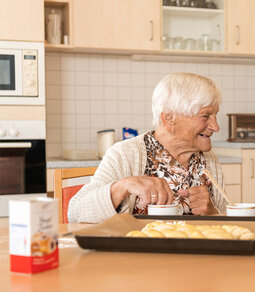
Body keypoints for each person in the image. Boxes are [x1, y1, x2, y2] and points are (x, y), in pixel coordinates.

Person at [68, 72, 226, 223]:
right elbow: (75, 213)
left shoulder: (208, 161)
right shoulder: (125, 154)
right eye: (205, 116)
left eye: (215, 116)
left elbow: (230, 223)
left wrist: (212, 212)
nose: (215, 126)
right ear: (169, 119)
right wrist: (123, 186)